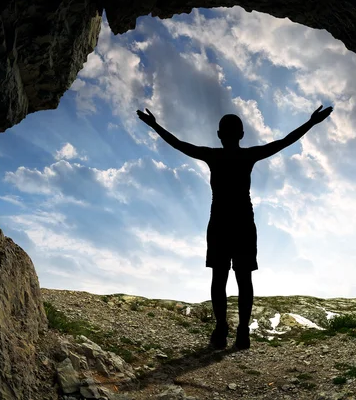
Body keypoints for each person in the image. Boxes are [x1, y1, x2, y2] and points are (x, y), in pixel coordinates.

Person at [136, 105, 333, 349]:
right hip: (243, 223)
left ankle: (221, 329)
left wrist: (154, 125)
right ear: (242, 134)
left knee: (219, 278)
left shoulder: (213, 155)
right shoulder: (247, 155)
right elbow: (284, 142)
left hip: (219, 222)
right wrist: (311, 122)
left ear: (219, 135)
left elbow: (178, 144)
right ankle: (242, 332)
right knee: (244, 279)